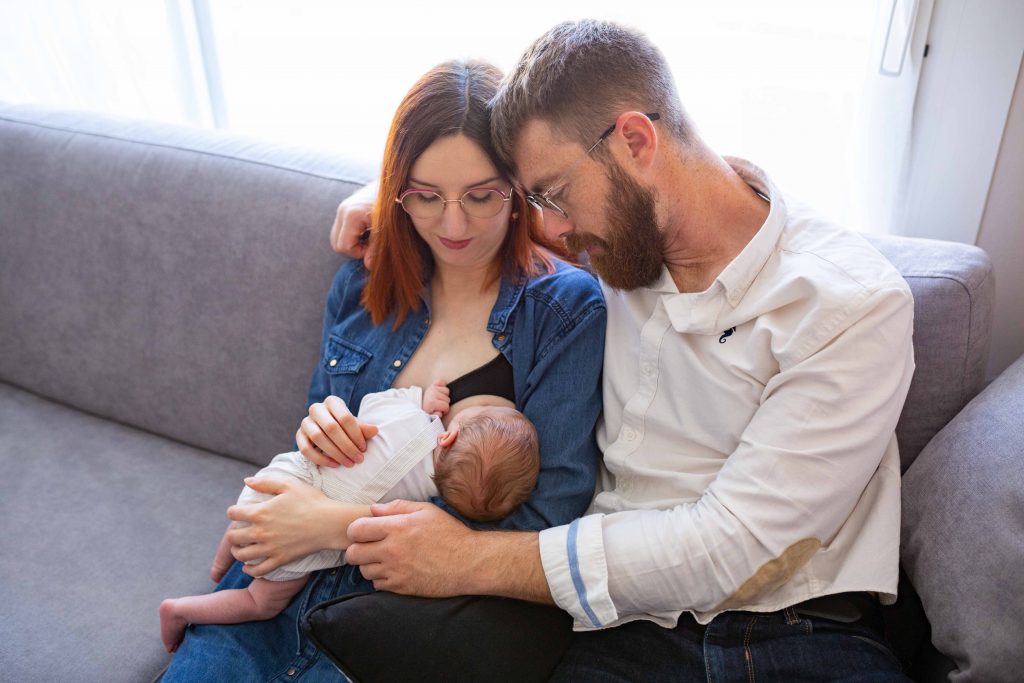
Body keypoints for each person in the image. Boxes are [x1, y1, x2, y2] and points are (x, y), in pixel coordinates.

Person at [331, 20, 916, 681]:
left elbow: (733, 547)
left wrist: (466, 558)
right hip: (610, 634)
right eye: (536, 200)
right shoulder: (611, 242)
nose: (551, 227)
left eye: (555, 195)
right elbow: (468, 194)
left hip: (797, 634)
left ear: (636, 141)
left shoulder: (847, 302)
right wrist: (391, 202)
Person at [160, 59, 606, 681]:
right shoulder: (362, 285)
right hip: (277, 588)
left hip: (404, 621)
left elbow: (545, 519)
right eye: (426, 196)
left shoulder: (564, 312)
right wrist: (318, 430)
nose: (454, 224)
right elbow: (318, 446)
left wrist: (334, 525)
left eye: (482, 196)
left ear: (518, 189)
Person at [159, 381, 540, 653]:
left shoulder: (408, 418)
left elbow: (376, 401)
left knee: (249, 516)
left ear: (448, 436)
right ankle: (179, 611)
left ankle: (219, 564)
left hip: (281, 481)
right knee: (260, 602)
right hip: (300, 543)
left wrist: (421, 399)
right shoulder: (424, 501)